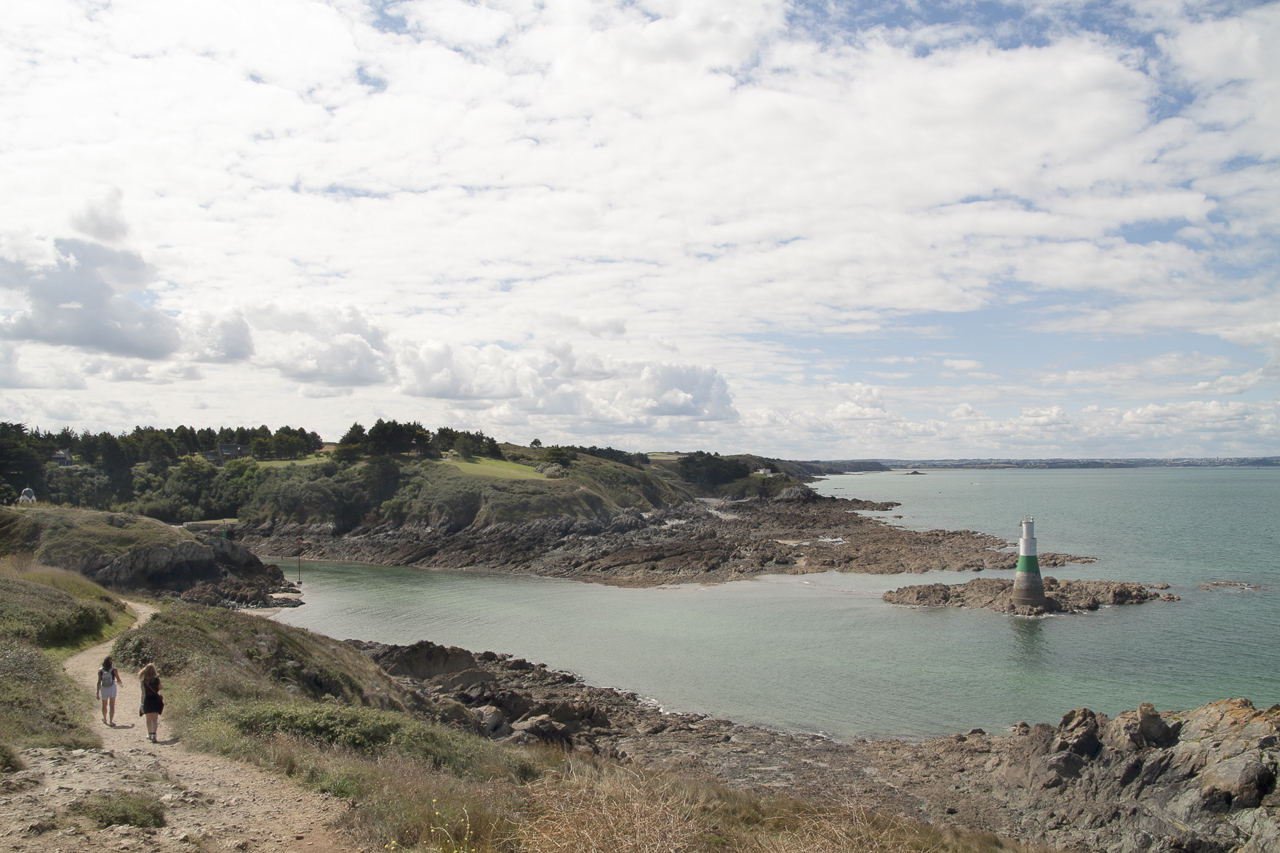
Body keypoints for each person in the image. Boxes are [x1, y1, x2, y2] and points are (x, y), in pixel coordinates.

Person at [138, 663, 164, 743]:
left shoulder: (143, 682)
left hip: (147, 700)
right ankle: (154, 734)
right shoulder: (156, 679)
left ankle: (149, 734)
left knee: (148, 719)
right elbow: (160, 687)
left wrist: (142, 705)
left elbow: (143, 694)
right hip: (155, 699)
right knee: (154, 719)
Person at [96, 656, 122, 725]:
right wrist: (120, 683)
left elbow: (99, 682)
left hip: (103, 688)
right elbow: (118, 680)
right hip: (112, 687)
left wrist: (97, 692)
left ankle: (104, 719)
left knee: (104, 705)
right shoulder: (114, 670)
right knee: (112, 705)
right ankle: (111, 721)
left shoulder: (100, 671)